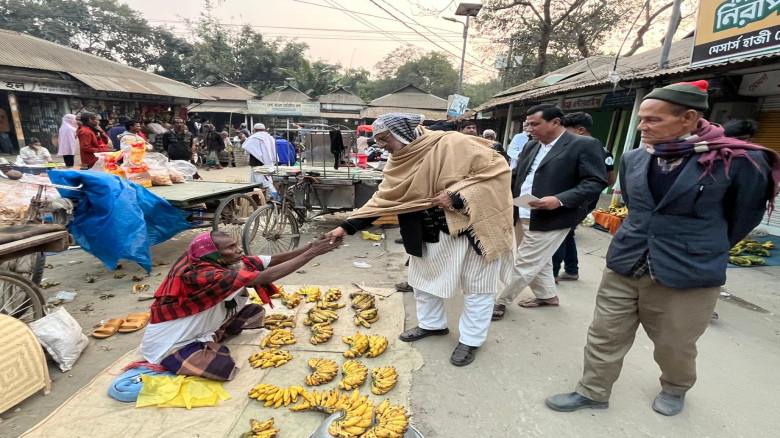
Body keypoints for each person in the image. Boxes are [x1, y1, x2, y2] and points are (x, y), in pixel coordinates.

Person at [545, 80, 779, 416]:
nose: (642, 127)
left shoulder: (740, 160)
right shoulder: (636, 158)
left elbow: (744, 216)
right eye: (641, 118)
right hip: (626, 261)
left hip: (688, 270)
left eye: (653, 120)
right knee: (604, 334)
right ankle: (593, 390)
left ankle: (675, 388)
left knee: (675, 344)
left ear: (688, 118)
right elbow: (641, 209)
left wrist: (703, 247)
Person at [326, 113, 514, 367]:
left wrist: (456, 196)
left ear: (402, 132)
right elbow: (385, 199)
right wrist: (346, 228)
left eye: (384, 139)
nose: (380, 146)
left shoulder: (454, 143)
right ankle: (432, 325)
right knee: (423, 281)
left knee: (478, 287)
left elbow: (498, 173)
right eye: (377, 140)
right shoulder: (397, 162)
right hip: (426, 230)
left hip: (472, 229)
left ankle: (471, 339)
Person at [141, 231, 343, 367]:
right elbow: (265, 276)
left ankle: (212, 336)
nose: (239, 250)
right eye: (231, 247)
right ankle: (195, 348)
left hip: (202, 327)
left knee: (254, 312)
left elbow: (270, 261)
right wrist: (313, 253)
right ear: (214, 254)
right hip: (170, 344)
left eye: (236, 244)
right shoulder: (201, 274)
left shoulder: (220, 261)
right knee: (222, 366)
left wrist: (311, 246)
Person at [492, 104, 607, 320]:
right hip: (524, 210)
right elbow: (519, 176)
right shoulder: (531, 146)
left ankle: (500, 301)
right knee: (539, 259)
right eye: (528, 124)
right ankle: (547, 296)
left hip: (554, 216)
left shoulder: (584, 145)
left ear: (555, 122)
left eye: (535, 124)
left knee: (526, 260)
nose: (530, 128)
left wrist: (560, 200)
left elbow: (595, 182)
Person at [550, 112, 617, 282]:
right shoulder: (575, 146)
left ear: (580, 130)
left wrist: (583, 192)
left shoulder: (598, 150)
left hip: (579, 200)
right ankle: (572, 270)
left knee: (560, 233)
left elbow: (610, 179)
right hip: (572, 197)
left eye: (567, 130)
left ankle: (553, 274)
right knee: (568, 233)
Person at [242, 123, 278, 190]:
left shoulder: (253, 138)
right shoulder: (270, 138)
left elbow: (246, 149)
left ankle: (273, 196)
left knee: (260, 183)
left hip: (256, 163)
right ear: (264, 129)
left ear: (254, 130)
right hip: (268, 163)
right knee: (266, 181)